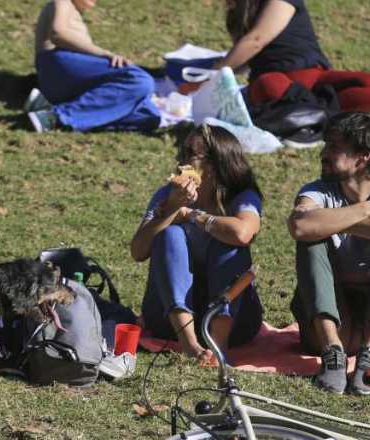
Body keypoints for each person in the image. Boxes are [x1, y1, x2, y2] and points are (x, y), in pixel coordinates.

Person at [287, 112, 370, 395]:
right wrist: (369, 209)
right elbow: (300, 225)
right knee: (310, 242)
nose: (324, 154)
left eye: (334, 147)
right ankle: (332, 353)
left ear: (363, 157)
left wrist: (332, 221)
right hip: (333, 324)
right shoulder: (316, 192)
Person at [130, 124, 264, 362]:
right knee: (170, 235)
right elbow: (138, 251)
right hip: (167, 322)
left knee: (227, 240)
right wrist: (172, 209)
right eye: (183, 152)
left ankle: (218, 345)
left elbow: (243, 233)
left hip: (236, 323)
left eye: (192, 154)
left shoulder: (240, 195)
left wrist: (193, 215)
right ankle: (190, 344)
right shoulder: (168, 195)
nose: (183, 161)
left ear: (216, 163)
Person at [210, 0, 370, 113]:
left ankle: (316, 113)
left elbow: (257, 40)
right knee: (269, 85)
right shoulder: (240, 11)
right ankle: (314, 113)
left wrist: (216, 71)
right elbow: (248, 55)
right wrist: (216, 73)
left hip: (315, 78)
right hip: (276, 81)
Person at [26, 0, 161, 133]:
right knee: (139, 80)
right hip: (58, 65)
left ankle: (52, 112)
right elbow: (58, 33)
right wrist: (105, 54)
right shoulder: (63, 2)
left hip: (68, 84)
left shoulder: (76, 13)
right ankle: (56, 116)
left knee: (149, 117)